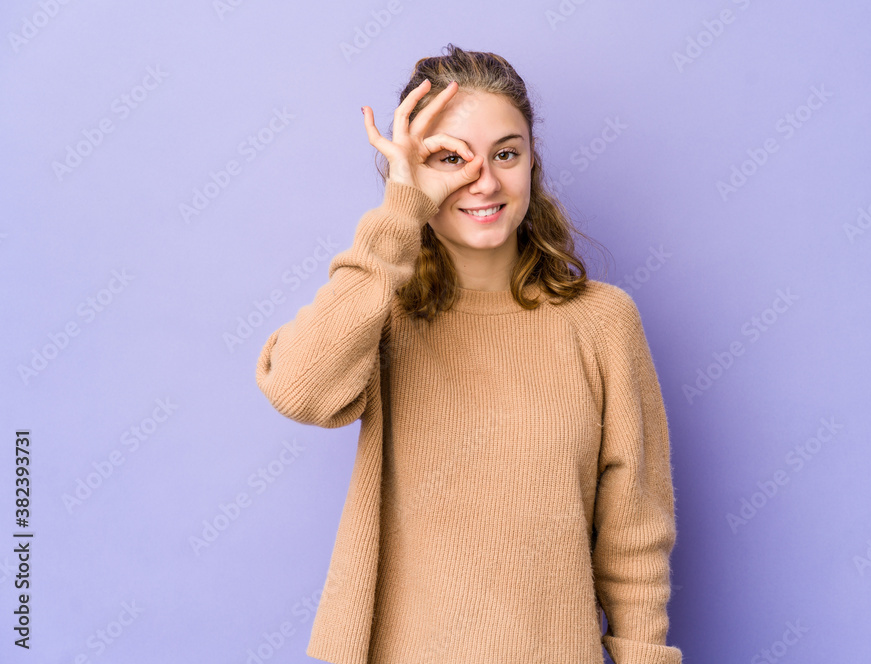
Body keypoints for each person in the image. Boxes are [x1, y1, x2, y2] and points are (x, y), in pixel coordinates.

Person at [255, 44, 683, 664]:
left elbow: (635, 529)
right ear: (409, 174)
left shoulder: (602, 321)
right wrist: (401, 211)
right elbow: (299, 390)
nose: (483, 181)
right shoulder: (381, 312)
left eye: (505, 153)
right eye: (449, 159)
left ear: (532, 162)